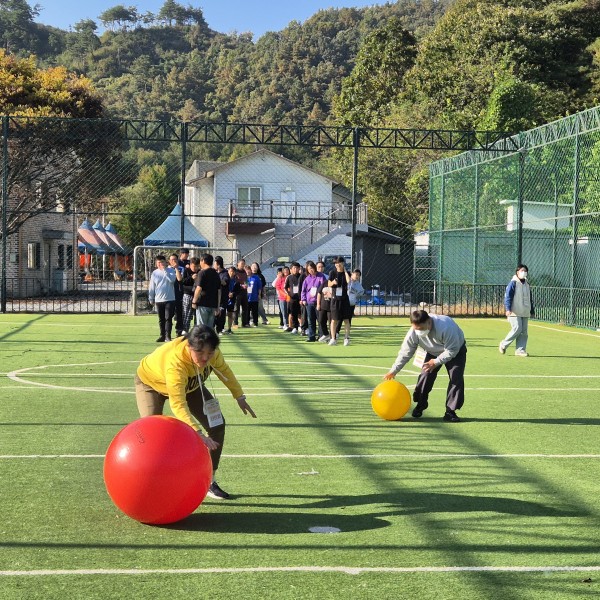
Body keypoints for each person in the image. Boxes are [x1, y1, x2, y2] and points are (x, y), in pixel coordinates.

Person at [135, 325, 257, 499]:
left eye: (210, 354)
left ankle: (209, 480)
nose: (205, 358)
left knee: (217, 425)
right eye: (200, 354)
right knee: (152, 436)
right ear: (189, 347)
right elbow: (178, 404)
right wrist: (197, 432)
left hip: (190, 386)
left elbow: (225, 371)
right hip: (151, 383)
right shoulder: (175, 363)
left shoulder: (213, 354)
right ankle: (150, 484)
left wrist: (239, 396)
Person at [384, 310, 467, 423]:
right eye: (416, 329)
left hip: (455, 351)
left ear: (429, 322)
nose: (419, 332)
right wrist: (393, 370)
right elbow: (405, 352)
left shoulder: (446, 326)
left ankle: (450, 411)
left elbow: (452, 350)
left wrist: (436, 361)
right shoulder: (413, 332)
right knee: (425, 376)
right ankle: (420, 404)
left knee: (456, 378)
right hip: (430, 351)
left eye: (421, 329)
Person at [499, 264, 534, 357]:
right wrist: (508, 309)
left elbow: (530, 298)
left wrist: (532, 311)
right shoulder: (513, 283)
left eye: (525, 271)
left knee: (524, 332)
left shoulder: (527, 284)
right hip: (514, 311)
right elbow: (508, 297)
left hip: (525, 311)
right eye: (522, 270)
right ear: (517, 272)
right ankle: (503, 344)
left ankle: (520, 350)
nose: (524, 272)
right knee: (517, 328)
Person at [148, 255, 177, 343]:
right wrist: (151, 297)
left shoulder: (171, 270)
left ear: (165, 262)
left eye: (162, 262)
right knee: (161, 319)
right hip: (159, 300)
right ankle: (162, 335)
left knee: (168, 318)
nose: (160, 264)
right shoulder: (154, 273)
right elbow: (152, 286)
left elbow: (172, 280)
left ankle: (168, 336)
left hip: (170, 299)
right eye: (159, 262)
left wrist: (165, 271)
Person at [192, 253, 221, 329]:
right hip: (213, 304)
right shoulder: (216, 274)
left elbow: (198, 288)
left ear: (203, 261)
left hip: (203, 304)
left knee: (201, 328)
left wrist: (194, 301)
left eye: (201, 261)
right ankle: (209, 341)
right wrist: (217, 306)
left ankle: (202, 341)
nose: (200, 263)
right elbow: (219, 291)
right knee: (210, 328)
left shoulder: (202, 273)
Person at [328, 256, 352, 346]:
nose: (337, 264)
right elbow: (329, 283)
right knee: (334, 320)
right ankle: (333, 338)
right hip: (335, 299)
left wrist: (345, 271)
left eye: (339, 263)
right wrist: (333, 282)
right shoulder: (332, 273)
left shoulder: (347, 273)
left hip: (344, 299)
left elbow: (348, 281)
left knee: (346, 320)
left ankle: (346, 338)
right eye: (336, 263)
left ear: (343, 263)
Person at [301, 260, 320, 342]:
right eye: (309, 269)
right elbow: (303, 291)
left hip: (319, 301)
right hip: (309, 302)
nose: (311, 270)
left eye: (312, 268)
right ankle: (311, 336)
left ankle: (321, 335)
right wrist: (303, 299)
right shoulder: (306, 279)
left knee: (320, 320)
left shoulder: (321, 277)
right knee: (310, 320)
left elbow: (323, 288)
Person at [181, 257, 200, 333]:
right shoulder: (186, 271)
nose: (195, 268)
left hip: (197, 295)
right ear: (190, 265)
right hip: (188, 295)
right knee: (187, 313)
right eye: (194, 266)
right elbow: (183, 282)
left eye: (197, 266)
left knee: (197, 313)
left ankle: (196, 330)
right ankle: (185, 329)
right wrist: (191, 278)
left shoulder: (200, 272)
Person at [169, 253, 185, 336]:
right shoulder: (167, 269)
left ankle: (179, 331)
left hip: (178, 294)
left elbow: (179, 279)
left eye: (175, 259)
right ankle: (167, 332)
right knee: (169, 314)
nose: (173, 261)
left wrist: (176, 268)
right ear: (169, 261)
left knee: (179, 313)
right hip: (169, 294)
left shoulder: (181, 269)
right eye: (171, 260)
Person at [214, 256, 230, 334]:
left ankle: (220, 329)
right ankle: (213, 328)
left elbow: (225, 282)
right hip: (214, 297)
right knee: (214, 313)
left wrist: (217, 280)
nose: (214, 265)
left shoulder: (225, 273)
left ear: (218, 264)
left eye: (215, 263)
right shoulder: (214, 272)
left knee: (221, 313)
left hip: (223, 297)